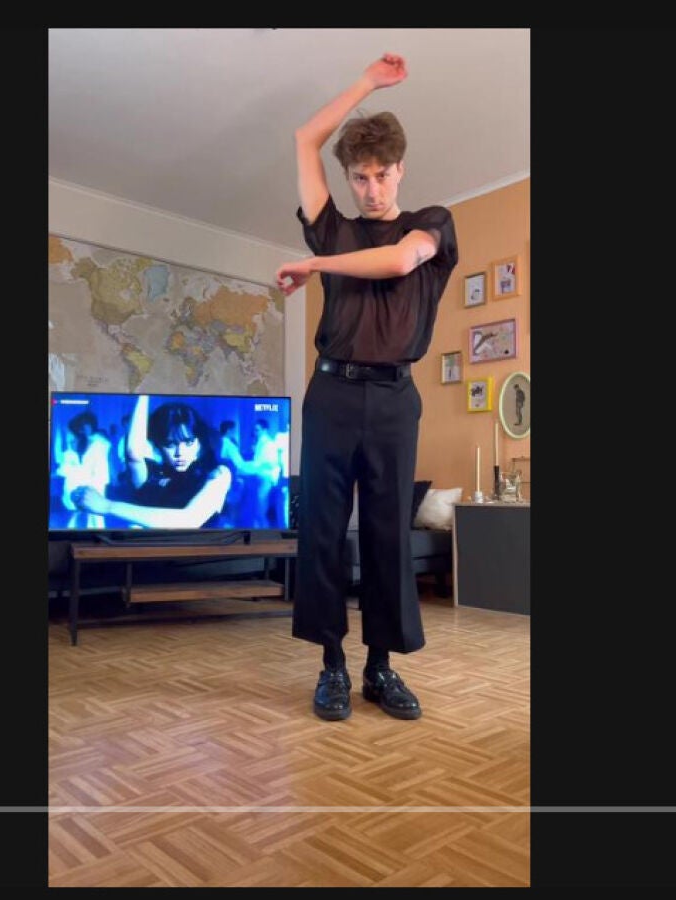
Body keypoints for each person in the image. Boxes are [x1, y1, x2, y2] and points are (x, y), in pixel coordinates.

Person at [274, 53, 459, 721]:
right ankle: (331, 665)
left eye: (382, 174)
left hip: (393, 400)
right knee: (323, 531)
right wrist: (366, 84)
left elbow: (400, 261)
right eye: (360, 177)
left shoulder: (431, 224)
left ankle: (381, 668)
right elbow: (305, 139)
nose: (372, 188)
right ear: (349, 179)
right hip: (331, 395)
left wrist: (316, 264)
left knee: (386, 534)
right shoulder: (335, 226)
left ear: (400, 169)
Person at [74, 394, 232, 529]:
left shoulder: (218, 473)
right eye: (170, 444)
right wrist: (143, 392)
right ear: (159, 446)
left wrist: (107, 506)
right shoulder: (157, 476)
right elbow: (133, 454)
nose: (180, 453)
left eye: (189, 442)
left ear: (199, 443)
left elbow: (189, 519)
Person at [53, 411, 112, 529]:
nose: (70, 441)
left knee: (94, 523)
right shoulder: (71, 452)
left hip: (92, 494)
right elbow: (63, 470)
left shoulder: (100, 445)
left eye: (72, 438)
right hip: (74, 498)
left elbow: (100, 477)